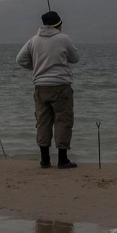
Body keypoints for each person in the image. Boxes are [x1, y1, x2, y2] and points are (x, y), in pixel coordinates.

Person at [17, 11, 80, 168]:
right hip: (61, 88)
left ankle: (45, 160)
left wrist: (37, 66)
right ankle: (62, 160)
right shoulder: (63, 39)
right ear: (58, 24)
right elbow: (75, 58)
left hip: (41, 87)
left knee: (43, 122)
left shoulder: (34, 40)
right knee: (63, 121)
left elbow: (20, 60)